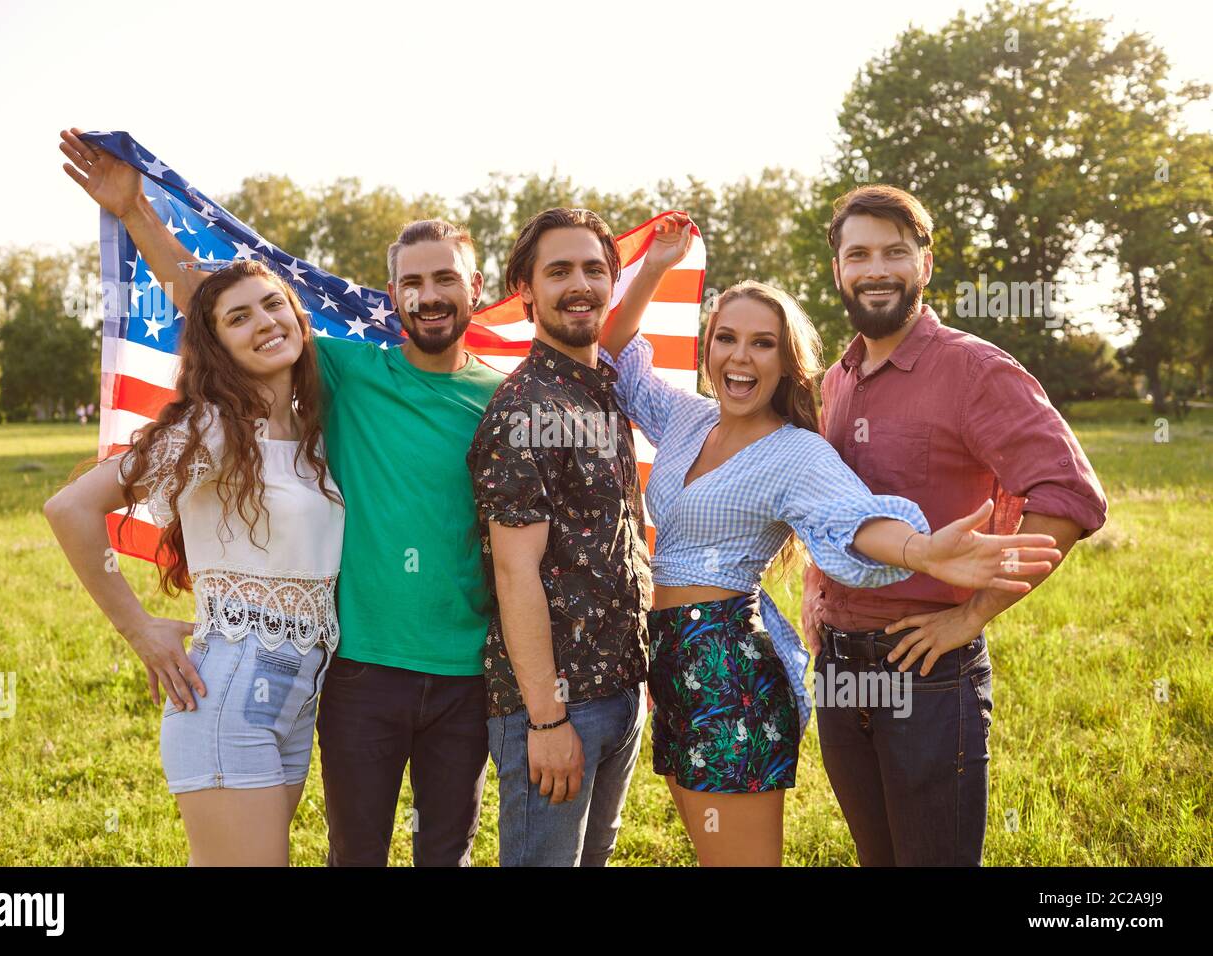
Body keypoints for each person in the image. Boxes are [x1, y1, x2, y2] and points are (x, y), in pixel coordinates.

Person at [57, 128, 504, 867]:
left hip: (320, 682)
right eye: (413, 283)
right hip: (268, 679)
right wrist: (137, 214)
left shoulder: (325, 419)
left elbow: (238, 309)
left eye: (277, 312)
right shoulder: (251, 411)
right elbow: (213, 301)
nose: (265, 325)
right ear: (392, 296)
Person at [600, 214, 1062, 865]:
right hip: (671, 660)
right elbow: (616, 360)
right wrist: (654, 267)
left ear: (788, 362)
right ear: (707, 348)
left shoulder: (795, 452)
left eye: (762, 344)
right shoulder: (685, 418)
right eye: (726, 338)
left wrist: (920, 550)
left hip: (730, 666)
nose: (740, 355)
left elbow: (852, 516)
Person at [800, 184, 1109, 865]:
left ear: (926, 264)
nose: (875, 269)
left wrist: (971, 616)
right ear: (838, 270)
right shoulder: (836, 380)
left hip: (930, 677)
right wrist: (814, 591)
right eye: (859, 254)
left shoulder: (974, 370)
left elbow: (1070, 496)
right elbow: (825, 507)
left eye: (894, 252)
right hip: (840, 674)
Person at [44, 257, 345, 866]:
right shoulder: (211, 427)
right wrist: (141, 631)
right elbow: (71, 507)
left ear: (297, 315)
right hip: (230, 691)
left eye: (272, 304)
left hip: (296, 697)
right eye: (239, 317)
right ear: (219, 346)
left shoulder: (313, 432)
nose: (263, 321)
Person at [467, 208, 651, 866]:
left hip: (621, 690)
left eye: (594, 270)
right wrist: (546, 720)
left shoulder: (596, 384)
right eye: (559, 271)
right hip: (556, 708)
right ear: (526, 292)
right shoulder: (527, 410)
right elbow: (516, 574)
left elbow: (612, 329)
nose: (580, 284)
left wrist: (654, 267)